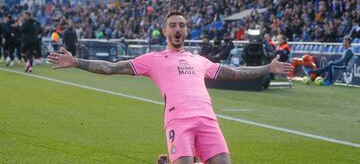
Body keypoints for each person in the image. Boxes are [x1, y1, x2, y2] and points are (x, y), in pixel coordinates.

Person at [48, 11, 293, 164]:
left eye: (182, 25)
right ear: (165, 31)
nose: (177, 29)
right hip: (179, 121)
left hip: (208, 120)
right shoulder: (153, 59)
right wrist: (76, 62)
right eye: (173, 25)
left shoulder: (200, 61)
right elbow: (112, 67)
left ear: (187, 31)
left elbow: (237, 73)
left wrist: (267, 68)